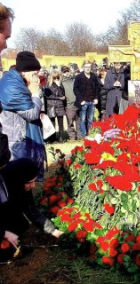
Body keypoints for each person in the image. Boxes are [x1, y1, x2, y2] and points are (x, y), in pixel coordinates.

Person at [0, 158, 63, 261]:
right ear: (18, 180)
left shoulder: (21, 185)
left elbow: (32, 210)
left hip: (4, 214)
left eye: (34, 181)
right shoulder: (2, 188)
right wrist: (4, 233)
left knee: (22, 225)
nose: (33, 186)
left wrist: (53, 230)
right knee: (6, 252)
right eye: (30, 182)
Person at [0, 51, 46, 181]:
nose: (36, 78)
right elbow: (31, 114)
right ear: (24, 72)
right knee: (19, 181)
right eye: (34, 74)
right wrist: (35, 93)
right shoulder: (12, 87)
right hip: (14, 142)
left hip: (18, 138)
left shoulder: (16, 82)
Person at [73, 63, 100, 137]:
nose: (88, 68)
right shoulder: (79, 77)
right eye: (86, 67)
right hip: (83, 102)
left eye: (89, 67)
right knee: (83, 119)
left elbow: (97, 88)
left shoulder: (94, 76)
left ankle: (90, 134)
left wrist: (96, 98)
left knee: (90, 119)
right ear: (83, 68)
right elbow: (75, 89)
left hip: (92, 101)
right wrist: (81, 100)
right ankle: (84, 135)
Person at [44, 70, 66, 142]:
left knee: (61, 124)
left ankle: (61, 138)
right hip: (51, 106)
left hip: (60, 106)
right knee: (52, 123)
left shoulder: (60, 84)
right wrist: (58, 98)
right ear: (51, 77)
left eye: (57, 77)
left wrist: (59, 86)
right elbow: (47, 96)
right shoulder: (47, 85)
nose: (56, 79)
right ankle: (52, 139)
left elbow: (62, 94)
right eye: (54, 78)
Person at [61, 66, 81, 140]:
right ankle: (72, 137)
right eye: (64, 72)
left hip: (77, 104)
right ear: (62, 73)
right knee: (70, 123)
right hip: (69, 106)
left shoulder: (75, 80)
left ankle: (80, 136)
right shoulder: (61, 82)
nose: (66, 73)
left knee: (79, 122)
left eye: (67, 71)